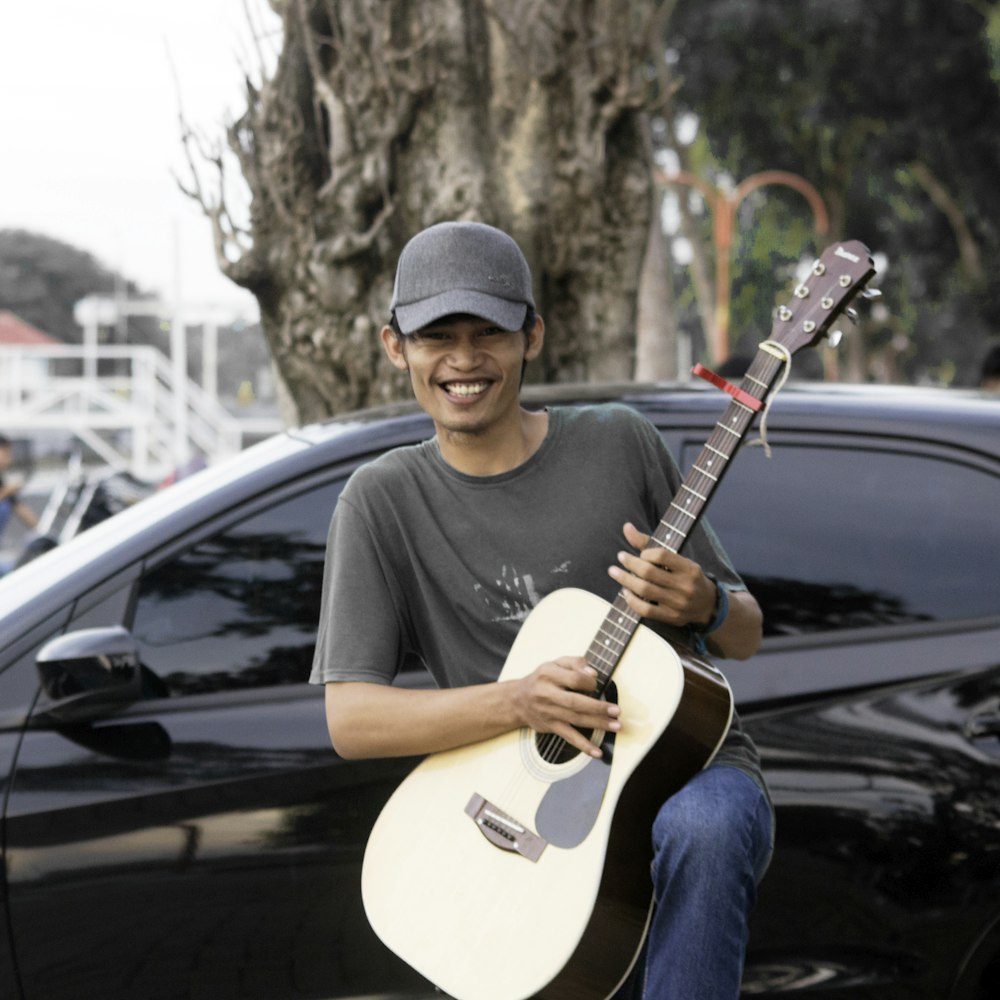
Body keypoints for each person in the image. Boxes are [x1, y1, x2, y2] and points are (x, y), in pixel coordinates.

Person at [310, 221, 773, 999]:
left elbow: (747, 634)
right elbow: (352, 720)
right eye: (437, 337)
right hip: (517, 805)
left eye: (488, 331)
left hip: (683, 769)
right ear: (396, 347)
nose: (463, 359)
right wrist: (516, 701)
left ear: (533, 336)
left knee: (706, 826)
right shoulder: (382, 500)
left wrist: (707, 599)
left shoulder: (619, 442)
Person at [0, 434, 39, 573]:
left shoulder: (2, 482)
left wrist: (42, 533)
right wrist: (6, 491)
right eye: (6, 453)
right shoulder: (6, 488)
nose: (9, 459)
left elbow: (22, 510)